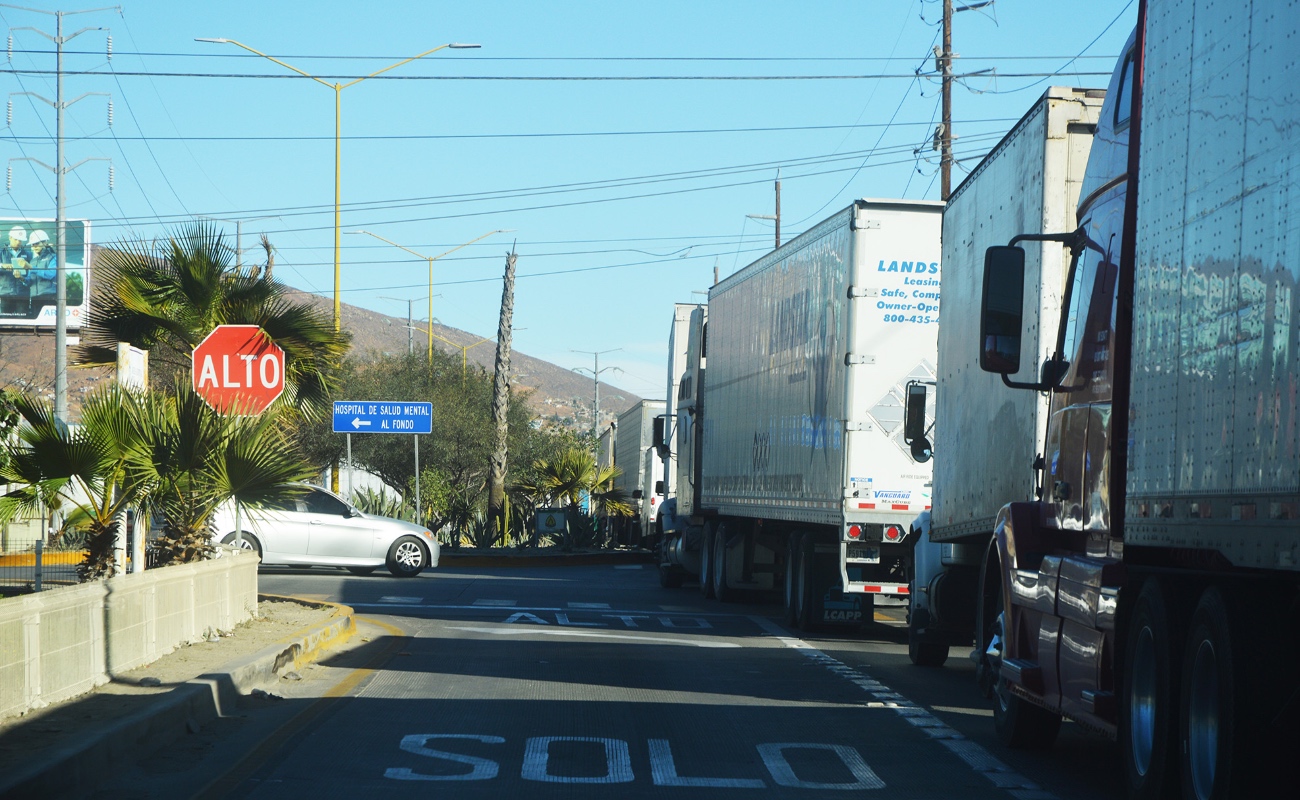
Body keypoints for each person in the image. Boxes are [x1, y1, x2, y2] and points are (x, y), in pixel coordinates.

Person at [0, 226, 31, 314]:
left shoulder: (28, 254)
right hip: (6, 294)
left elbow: (33, 271)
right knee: (5, 323)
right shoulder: (1, 253)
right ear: (10, 237)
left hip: (22, 294)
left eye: (20, 240)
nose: (18, 242)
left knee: (22, 323)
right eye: (16, 239)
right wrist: (3, 265)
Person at [26, 230, 56, 315]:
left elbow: (51, 274)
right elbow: (29, 280)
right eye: (32, 244)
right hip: (34, 297)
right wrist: (22, 279)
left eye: (37, 243)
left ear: (45, 242)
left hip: (49, 296)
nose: (34, 246)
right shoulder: (32, 261)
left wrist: (33, 268)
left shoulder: (53, 257)